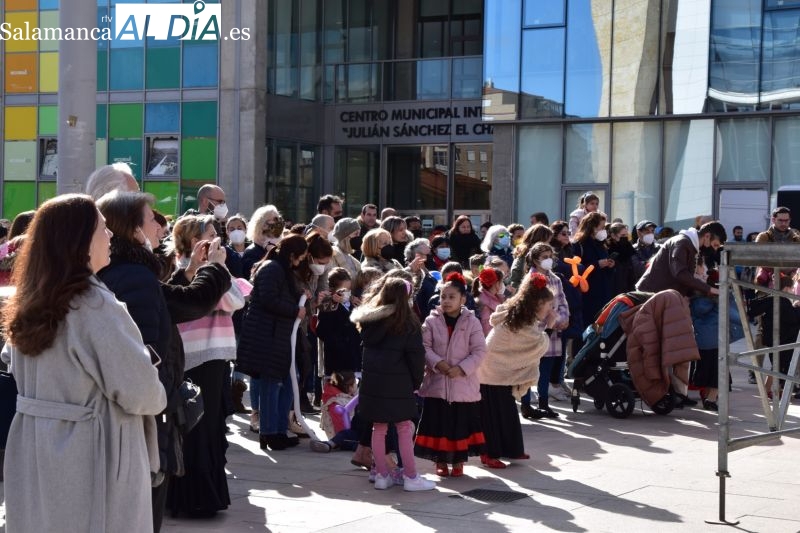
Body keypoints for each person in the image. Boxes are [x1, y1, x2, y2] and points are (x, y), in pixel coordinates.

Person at [1, 194, 166, 533]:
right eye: (102, 229)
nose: (109, 237)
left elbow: (13, 364)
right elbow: (141, 392)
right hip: (90, 453)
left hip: (33, 446)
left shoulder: (30, 300)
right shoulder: (93, 306)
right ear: (79, 240)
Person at [97, 191, 231, 530]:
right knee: (145, 504)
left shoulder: (130, 271)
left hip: (144, 410)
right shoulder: (132, 273)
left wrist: (194, 271)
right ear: (131, 228)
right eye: (151, 217)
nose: (160, 224)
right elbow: (182, 309)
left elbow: (165, 300)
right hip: (146, 411)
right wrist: (214, 268)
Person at [167, 215, 246, 518]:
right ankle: (190, 498)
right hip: (192, 356)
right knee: (193, 427)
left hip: (215, 356)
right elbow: (218, 300)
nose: (218, 241)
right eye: (211, 235)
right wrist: (212, 269)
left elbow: (236, 300)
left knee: (212, 427)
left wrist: (217, 267)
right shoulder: (182, 270)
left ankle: (207, 496)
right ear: (191, 239)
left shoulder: (215, 269)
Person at [350, 278, 436, 491]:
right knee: (404, 428)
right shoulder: (408, 323)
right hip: (399, 384)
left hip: (372, 385)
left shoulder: (370, 321)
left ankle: (381, 475)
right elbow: (416, 358)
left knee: (378, 428)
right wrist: (416, 383)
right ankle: (411, 476)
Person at [477, 271, 555, 469]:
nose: (549, 310)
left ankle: (512, 449)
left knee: (507, 411)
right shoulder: (519, 319)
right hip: (492, 372)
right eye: (548, 306)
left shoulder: (518, 314)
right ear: (537, 304)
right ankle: (489, 454)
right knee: (493, 415)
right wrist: (550, 328)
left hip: (495, 371)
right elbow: (537, 344)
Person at [237, 235, 308, 451]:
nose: (301, 261)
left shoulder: (280, 269)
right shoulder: (272, 269)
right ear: (293, 255)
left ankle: (277, 429)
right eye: (301, 257)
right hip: (267, 335)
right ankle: (269, 432)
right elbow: (269, 300)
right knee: (271, 385)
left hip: (277, 335)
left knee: (285, 383)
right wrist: (296, 310)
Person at [415, 272, 487, 478]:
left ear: (463, 299)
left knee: (460, 425)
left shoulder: (472, 322)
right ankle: (440, 461)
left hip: (463, 385)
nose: (446, 301)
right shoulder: (431, 321)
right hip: (437, 384)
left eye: (451, 297)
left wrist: (462, 368)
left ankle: (458, 461)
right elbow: (424, 347)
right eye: (443, 296)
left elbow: (480, 351)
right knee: (439, 424)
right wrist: (439, 363)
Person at [519, 243, 569, 419]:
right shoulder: (531, 279)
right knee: (530, 367)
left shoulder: (555, 279)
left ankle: (543, 403)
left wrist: (562, 319)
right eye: (544, 257)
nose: (548, 260)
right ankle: (525, 404)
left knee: (546, 369)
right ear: (534, 259)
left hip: (553, 330)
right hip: (535, 330)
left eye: (550, 256)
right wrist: (547, 320)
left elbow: (562, 301)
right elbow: (528, 305)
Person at [636, 220, 726, 297]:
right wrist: (710, 289)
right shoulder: (682, 243)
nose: (715, 250)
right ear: (707, 236)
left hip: (663, 296)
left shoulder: (692, 246)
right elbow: (681, 273)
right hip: (650, 295)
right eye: (715, 245)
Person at [572, 212, 615, 328]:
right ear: (592, 227)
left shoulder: (601, 244)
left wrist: (609, 266)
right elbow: (576, 268)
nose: (603, 230)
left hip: (603, 292)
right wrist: (597, 264)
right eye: (601, 227)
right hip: (587, 294)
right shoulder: (579, 245)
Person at [315, 268, 362, 375]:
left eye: (349, 290)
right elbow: (321, 331)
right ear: (332, 290)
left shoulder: (353, 306)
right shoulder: (327, 307)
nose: (347, 294)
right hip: (335, 361)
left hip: (353, 359)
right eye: (343, 291)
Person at [310, 371, 363, 453]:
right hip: (351, 431)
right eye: (355, 382)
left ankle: (330, 444)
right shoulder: (342, 400)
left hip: (361, 433)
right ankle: (328, 444)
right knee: (344, 435)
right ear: (350, 387)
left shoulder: (349, 397)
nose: (357, 385)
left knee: (354, 440)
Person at [241, 204, 285, 279]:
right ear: (262, 225)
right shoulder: (251, 252)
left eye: (278, 219)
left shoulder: (279, 247)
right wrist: (273, 253)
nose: (278, 222)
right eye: (275, 219)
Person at [508, 223, 554, 290]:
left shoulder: (540, 256)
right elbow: (516, 281)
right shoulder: (525, 256)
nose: (548, 245)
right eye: (547, 241)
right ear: (539, 241)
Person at [473, 267, 506, 336]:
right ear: (496, 284)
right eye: (502, 282)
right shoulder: (484, 305)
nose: (503, 285)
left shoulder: (497, 297)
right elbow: (487, 331)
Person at [607, 222, 636, 294]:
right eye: (623, 235)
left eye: (626, 235)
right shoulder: (607, 249)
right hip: (613, 289)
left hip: (627, 287)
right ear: (613, 235)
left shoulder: (628, 247)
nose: (625, 237)